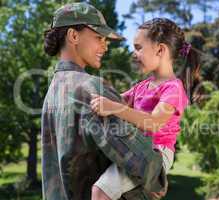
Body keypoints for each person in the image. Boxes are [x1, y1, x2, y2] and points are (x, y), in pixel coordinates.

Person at [41, 3, 167, 200]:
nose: (105, 46)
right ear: (73, 36)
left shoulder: (52, 93)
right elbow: (139, 158)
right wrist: (158, 174)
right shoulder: (91, 88)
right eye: (99, 38)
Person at [91, 18, 202, 200]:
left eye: (138, 47)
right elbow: (116, 99)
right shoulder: (142, 86)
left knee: (100, 192)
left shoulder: (173, 88)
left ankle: (154, 180)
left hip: (156, 154)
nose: (133, 54)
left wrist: (114, 107)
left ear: (160, 49)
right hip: (137, 149)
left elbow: (154, 123)